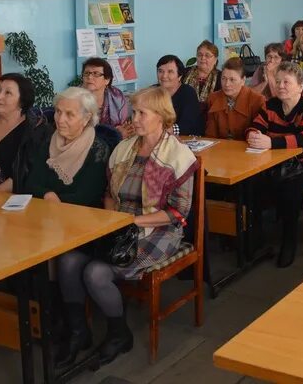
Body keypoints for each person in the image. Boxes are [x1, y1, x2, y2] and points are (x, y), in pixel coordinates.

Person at [56, 87, 198, 367]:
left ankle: (118, 333)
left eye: (141, 113)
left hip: (158, 230)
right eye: (134, 112)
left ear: (161, 117)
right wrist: (113, 221)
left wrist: (132, 222)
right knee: (68, 260)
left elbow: (178, 212)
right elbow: (109, 193)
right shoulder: (124, 148)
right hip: (120, 224)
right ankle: (78, 332)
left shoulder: (178, 155)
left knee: (96, 273)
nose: (135, 118)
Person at [246, 61, 303, 267]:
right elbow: (253, 128)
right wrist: (254, 136)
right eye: (278, 81)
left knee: (289, 188)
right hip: (278, 161)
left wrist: (271, 142)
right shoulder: (270, 105)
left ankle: (288, 243)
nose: (281, 86)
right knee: (250, 184)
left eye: (287, 82)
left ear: (300, 86)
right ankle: (255, 238)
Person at [21, 87, 110, 206]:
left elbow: (86, 197)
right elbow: (31, 184)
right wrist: (48, 195)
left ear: (86, 118)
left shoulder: (98, 149)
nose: (60, 119)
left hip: (81, 217)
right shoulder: (48, 140)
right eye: (58, 111)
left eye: (69, 114)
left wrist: (51, 198)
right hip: (45, 211)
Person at [205, 57, 266, 140]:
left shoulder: (257, 100)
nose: (226, 84)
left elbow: (258, 134)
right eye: (224, 79)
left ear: (243, 80)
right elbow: (210, 136)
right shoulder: (213, 98)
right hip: (219, 149)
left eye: (232, 80)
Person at [80, 57, 133, 137]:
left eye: (96, 74)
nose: (90, 77)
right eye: (87, 73)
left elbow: (123, 127)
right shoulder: (74, 98)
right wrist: (116, 134)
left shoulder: (117, 97)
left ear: (107, 80)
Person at [156, 55, 204, 135]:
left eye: (170, 72)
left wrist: (166, 130)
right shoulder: (152, 91)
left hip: (187, 139)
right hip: (160, 137)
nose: (164, 76)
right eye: (160, 71)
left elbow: (188, 125)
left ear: (179, 76)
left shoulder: (188, 92)